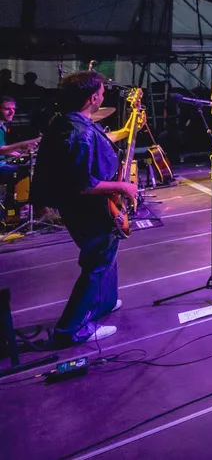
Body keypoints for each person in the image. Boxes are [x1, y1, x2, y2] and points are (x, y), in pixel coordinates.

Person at [32, 71, 139, 346]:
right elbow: (81, 183)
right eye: (102, 93)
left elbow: (99, 143)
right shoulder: (77, 133)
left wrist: (129, 128)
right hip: (88, 209)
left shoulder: (69, 122)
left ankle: (103, 304)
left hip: (90, 207)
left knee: (106, 257)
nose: (104, 96)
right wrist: (122, 188)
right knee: (96, 263)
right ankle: (71, 329)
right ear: (93, 98)